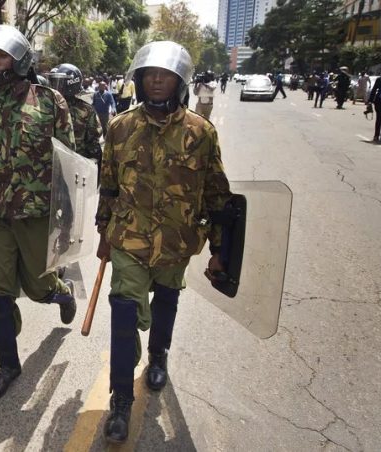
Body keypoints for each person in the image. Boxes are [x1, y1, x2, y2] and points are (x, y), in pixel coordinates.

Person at [95, 41, 232, 443]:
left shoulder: (201, 133)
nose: (156, 79)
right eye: (149, 73)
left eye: (165, 74)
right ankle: (121, 398)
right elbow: (108, 187)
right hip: (129, 240)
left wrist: (220, 251)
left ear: (179, 81)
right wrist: (104, 232)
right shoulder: (119, 127)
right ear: (138, 79)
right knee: (123, 310)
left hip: (176, 240)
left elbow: (216, 195)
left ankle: (159, 354)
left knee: (167, 302)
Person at [0, 25, 78, 401]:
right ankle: (8, 365)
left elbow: (70, 163)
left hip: (37, 214)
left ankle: (61, 294)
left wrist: (67, 216)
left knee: (38, 287)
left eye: (2, 55)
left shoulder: (49, 102)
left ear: (21, 57)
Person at [49, 63, 102, 160]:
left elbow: (93, 143)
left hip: (76, 166)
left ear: (71, 84)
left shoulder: (86, 110)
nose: (54, 87)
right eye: (53, 82)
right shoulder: (47, 106)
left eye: (59, 82)